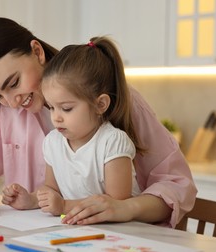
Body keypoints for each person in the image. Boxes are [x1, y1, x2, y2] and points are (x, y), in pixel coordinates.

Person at [0, 17, 197, 228]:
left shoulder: (119, 100)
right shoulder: (4, 114)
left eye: (14, 83)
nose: (11, 103)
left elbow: (177, 184)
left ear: (37, 51)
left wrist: (127, 208)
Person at [30, 37, 142, 220]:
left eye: (66, 108)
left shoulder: (112, 142)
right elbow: (51, 189)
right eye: (51, 107)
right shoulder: (52, 142)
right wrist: (31, 199)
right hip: (81, 231)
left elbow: (115, 205)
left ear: (100, 105)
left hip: (121, 235)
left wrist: (64, 205)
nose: (56, 117)